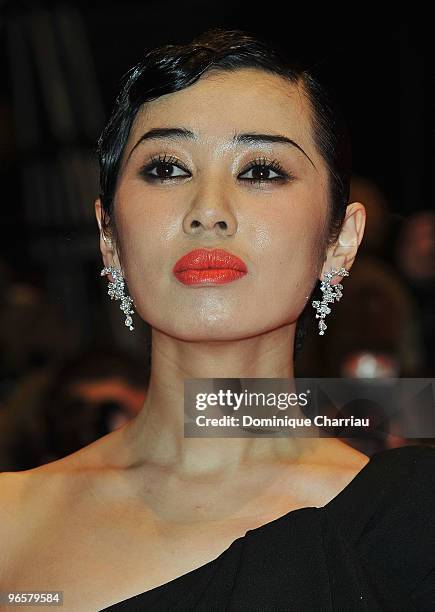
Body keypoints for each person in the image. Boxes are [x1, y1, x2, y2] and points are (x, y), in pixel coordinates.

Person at [1, 28, 434, 611]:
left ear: (340, 239)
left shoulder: (409, 524)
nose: (208, 210)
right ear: (109, 236)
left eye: (260, 170)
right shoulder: (12, 523)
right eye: (167, 168)